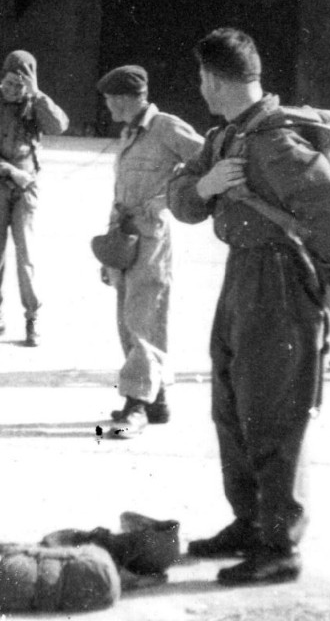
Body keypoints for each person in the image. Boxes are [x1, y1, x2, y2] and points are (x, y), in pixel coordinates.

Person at [167, 28, 330, 585]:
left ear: (212, 79)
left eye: (202, 80)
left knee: (273, 411)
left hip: (278, 283)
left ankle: (280, 545)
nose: (201, 88)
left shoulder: (274, 143)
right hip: (242, 277)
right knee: (232, 404)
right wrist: (206, 185)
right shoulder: (229, 136)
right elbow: (179, 198)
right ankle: (250, 520)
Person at [96, 65, 204, 437]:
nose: (107, 104)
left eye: (111, 98)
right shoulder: (130, 133)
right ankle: (157, 401)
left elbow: (208, 162)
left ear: (127, 98)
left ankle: (137, 404)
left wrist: (169, 199)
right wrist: (109, 246)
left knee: (143, 318)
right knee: (130, 316)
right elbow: (121, 191)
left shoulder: (166, 128)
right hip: (124, 235)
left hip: (152, 238)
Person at [0, 50, 69, 346]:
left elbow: (59, 126)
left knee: (27, 255)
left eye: (20, 85)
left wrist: (37, 96)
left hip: (26, 188)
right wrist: (11, 171)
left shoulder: (34, 104)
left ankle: (32, 318)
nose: (13, 90)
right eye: (9, 83)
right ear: (1, 78)